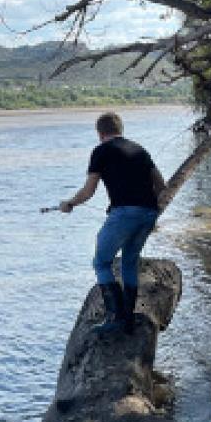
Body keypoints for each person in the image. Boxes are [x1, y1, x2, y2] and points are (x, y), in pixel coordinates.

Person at [59, 112, 167, 334]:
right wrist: (147, 212)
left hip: (125, 213)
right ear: (121, 129)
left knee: (101, 262)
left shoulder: (101, 151)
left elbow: (88, 191)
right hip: (148, 213)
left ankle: (115, 318)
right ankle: (128, 318)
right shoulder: (140, 149)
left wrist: (69, 203)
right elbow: (161, 185)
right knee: (129, 262)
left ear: (100, 133)